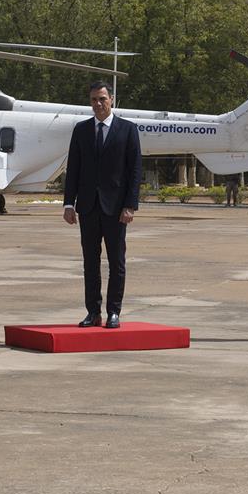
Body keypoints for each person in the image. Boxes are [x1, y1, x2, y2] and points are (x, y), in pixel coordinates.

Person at [63, 81, 142, 329]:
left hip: (116, 208)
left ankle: (114, 312)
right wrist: (68, 203)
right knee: (90, 262)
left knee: (116, 262)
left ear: (112, 99)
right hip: (88, 206)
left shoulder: (127, 130)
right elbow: (73, 168)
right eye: (94, 100)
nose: (98, 104)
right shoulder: (81, 130)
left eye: (102, 99)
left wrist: (130, 205)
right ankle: (93, 312)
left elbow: (134, 170)